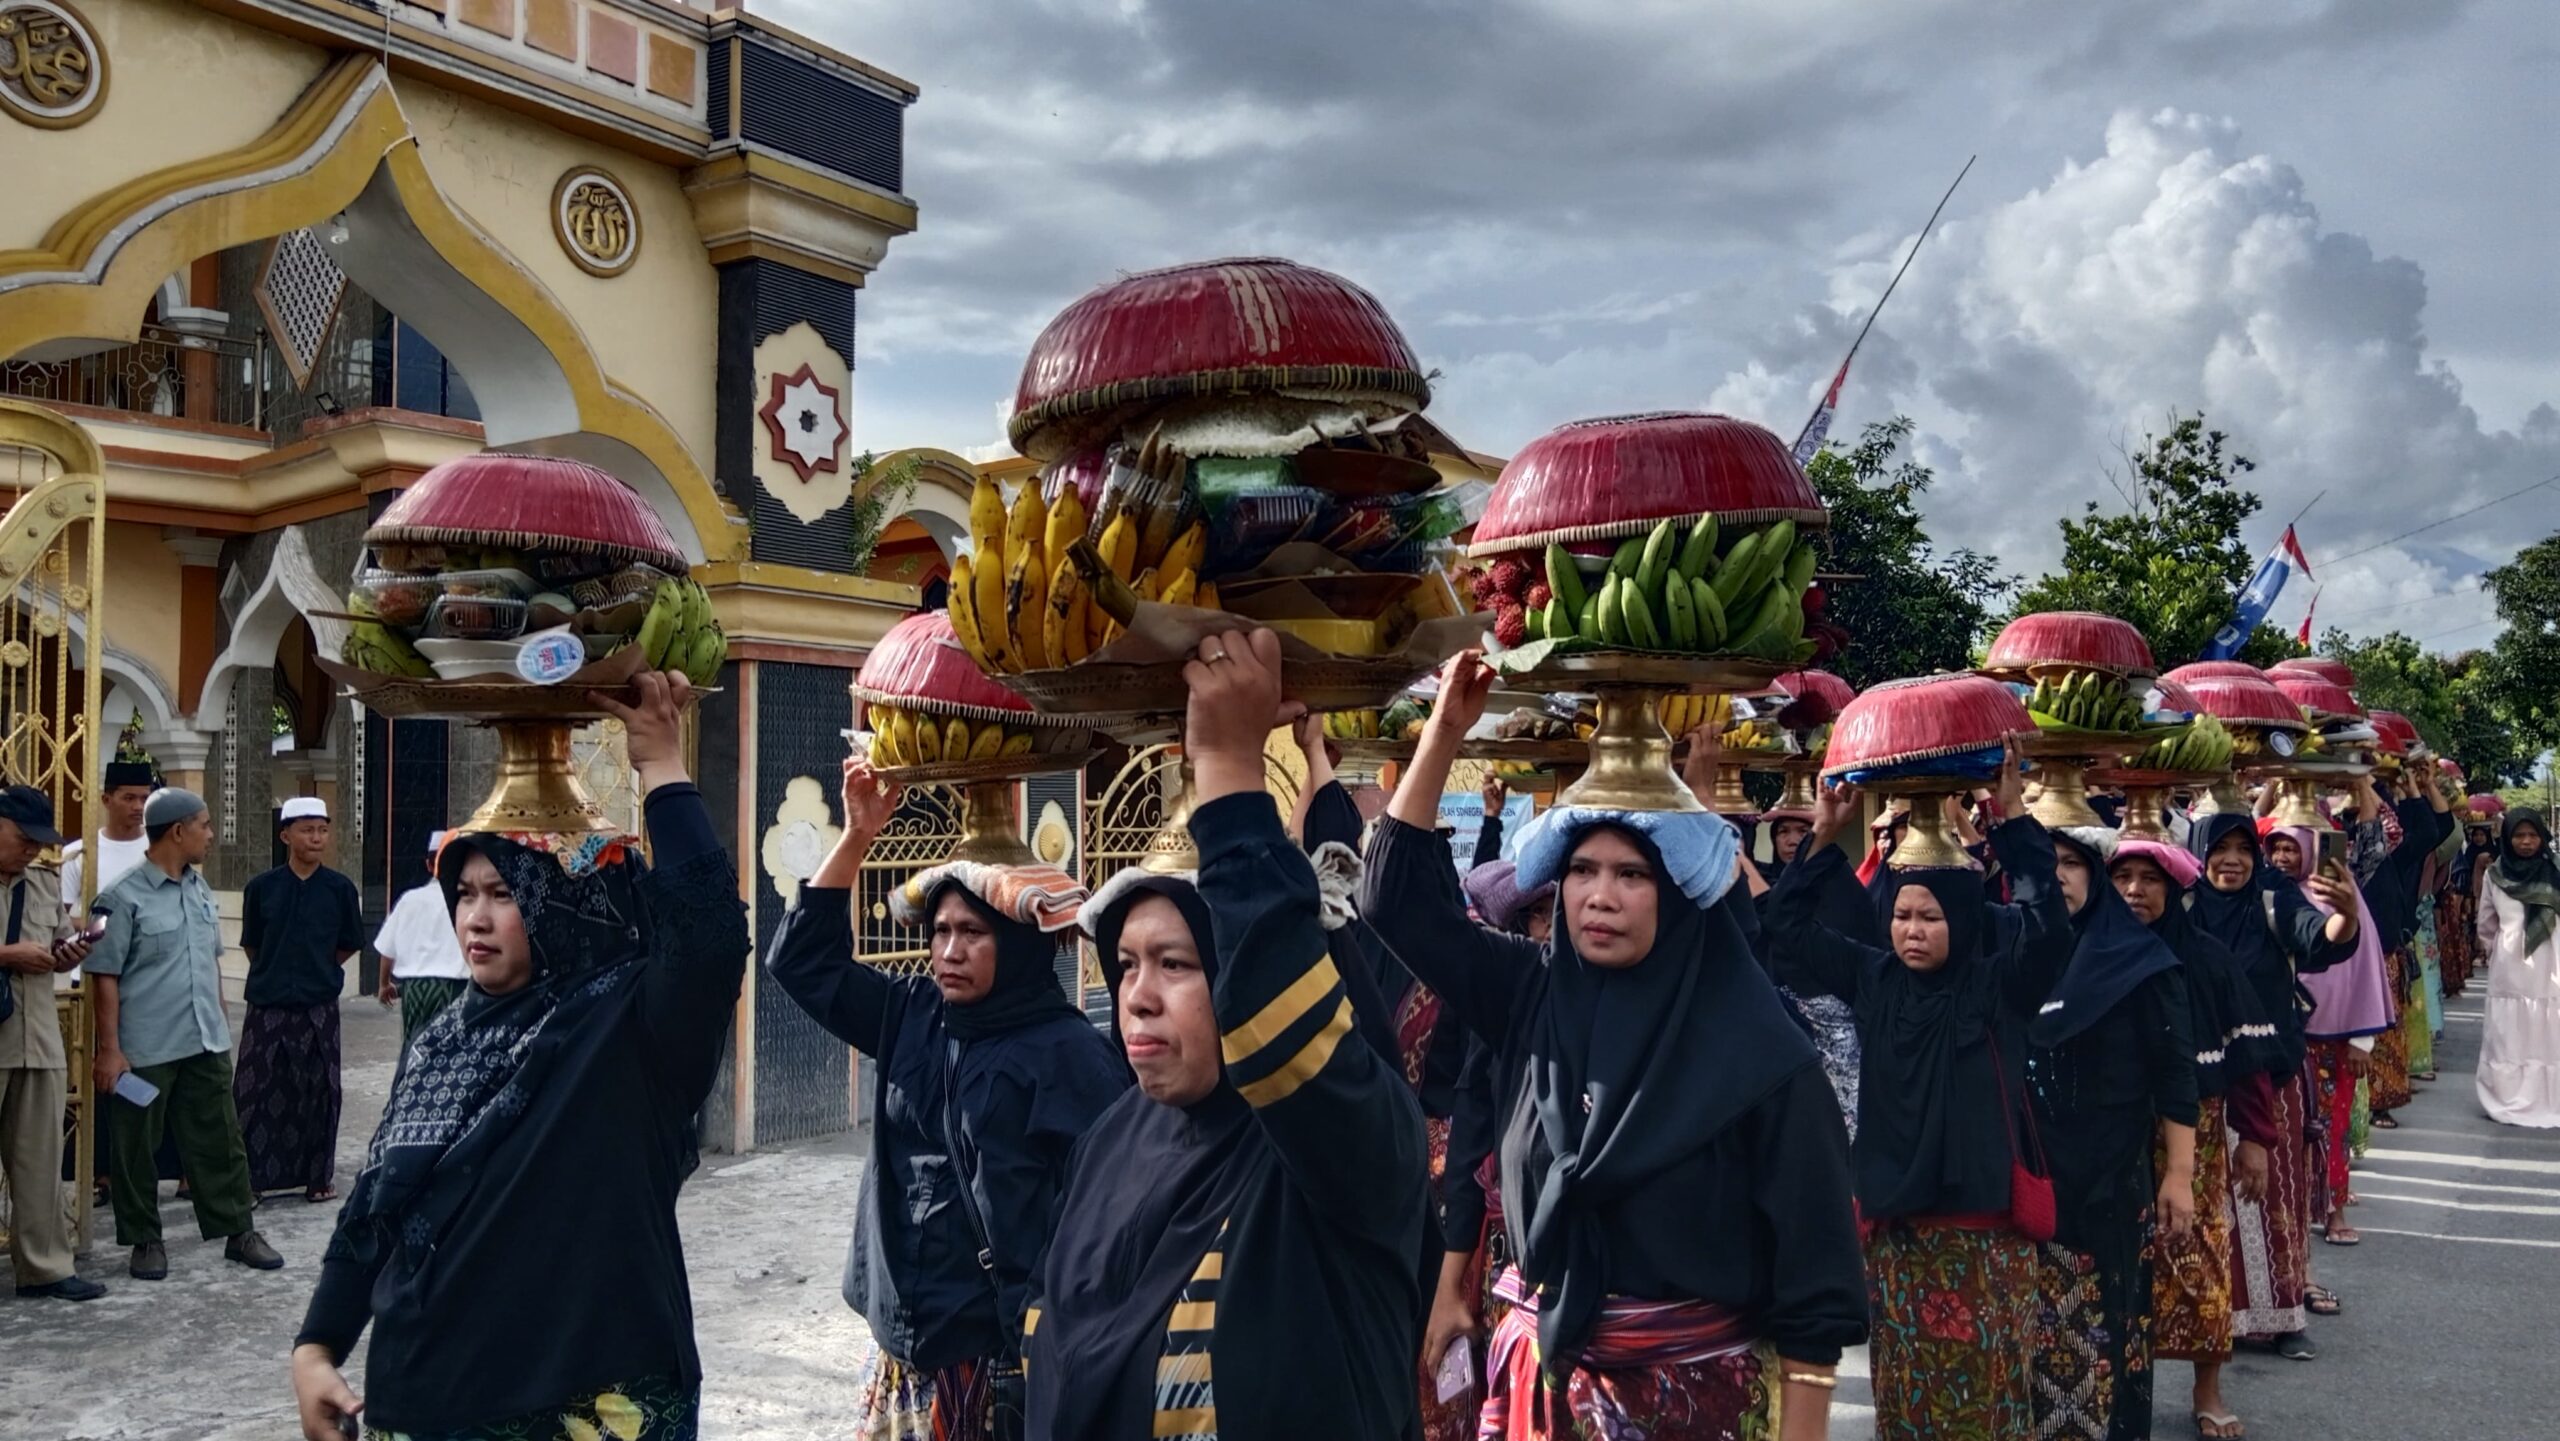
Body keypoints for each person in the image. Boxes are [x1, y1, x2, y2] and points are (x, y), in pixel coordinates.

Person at [1364, 650, 1865, 1441]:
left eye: (1632, 874)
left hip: (1699, 1406)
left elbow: (1817, 1287)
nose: (1600, 896)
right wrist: (1446, 732)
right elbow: (1396, 903)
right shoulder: (1532, 992)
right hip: (1544, 1391)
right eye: (1582, 870)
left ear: (1678, 892)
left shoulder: (1765, 1059)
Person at [291, 672, 749, 1441]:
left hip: (590, 1397)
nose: (473, 915)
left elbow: (707, 941)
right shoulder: (443, 1039)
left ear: (560, 900)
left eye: (503, 891)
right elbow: (379, 1204)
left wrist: (662, 767)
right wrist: (318, 1344)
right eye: (464, 891)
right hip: (428, 1397)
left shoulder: (630, 1028)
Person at [1027, 628, 1428, 1441]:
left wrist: (1230, 776)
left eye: (1176, 963)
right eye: (1127, 963)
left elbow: (1279, 1017)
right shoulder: (1113, 1140)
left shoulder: (1346, 1147)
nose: (1137, 997)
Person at [765, 757, 1127, 1440]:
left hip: (1000, 1366)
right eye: (939, 930)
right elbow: (800, 963)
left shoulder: (1067, 1054)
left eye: (973, 932)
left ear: (1019, 943)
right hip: (904, 1355)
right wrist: (858, 833)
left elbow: (1108, 1214)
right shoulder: (912, 1013)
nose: (949, 950)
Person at [1769, 759, 2069, 1441]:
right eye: (1901, 914)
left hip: (1983, 1236)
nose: (1911, 930)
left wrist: (2014, 817)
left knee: (1987, 1399)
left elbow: (2049, 929)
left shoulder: (1999, 986)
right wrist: (1824, 834)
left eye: (1930, 917)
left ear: (1962, 918)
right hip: (1899, 1234)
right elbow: (1785, 928)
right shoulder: (1874, 977)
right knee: (1904, 1397)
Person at [2108, 839, 2285, 1441]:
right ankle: (2108, 1389)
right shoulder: (2095, 953)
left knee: (2198, 1255)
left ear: (2176, 889)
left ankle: (2207, 1390)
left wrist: (2255, 1139)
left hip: (2197, 1136)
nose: (2134, 890)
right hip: (2111, 1133)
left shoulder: (2206, 959)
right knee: (2112, 1260)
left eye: (2149, 880)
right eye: (2123, 878)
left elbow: (2247, 1058)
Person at [2028, 829, 2199, 1441]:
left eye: (2070, 863)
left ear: (2093, 875)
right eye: (2041, 865)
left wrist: (2179, 1173)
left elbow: (2175, 1072)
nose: (2057, 877)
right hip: (2023, 1175)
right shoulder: (2010, 953)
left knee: (2113, 1325)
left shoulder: (2139, 961)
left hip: (2111, 1175)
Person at [2183, 812, 2359, 1364]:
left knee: (2274, 1197)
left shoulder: (2272, 895)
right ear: (2198, 851)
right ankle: (2210, 1317)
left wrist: (2346, 915)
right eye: (2220, 848)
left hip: (2267, 1069)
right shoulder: (2180, 903)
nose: (2231, 859)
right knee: (2206, 1199)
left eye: (2242, 849)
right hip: (2198, 1074)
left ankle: (2284, 1317)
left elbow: (2319, 938)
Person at [85, 787, 278, 1280]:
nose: (211, 835)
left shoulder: (199, 888)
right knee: (134, 1147)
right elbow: (103, 975)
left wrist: (218, 1016)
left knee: (221, 1141)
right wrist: (110, 1050)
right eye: (205, 825)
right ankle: (144, 1240)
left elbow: (209, 962)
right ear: (177, 831)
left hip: (203, 1041)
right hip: (145, 1046)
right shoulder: (120, 897)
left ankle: (239, 1231)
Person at [0, 786, 105, 1300]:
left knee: (40, 1161)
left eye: (37, 842)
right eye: (22, 838)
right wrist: (5, 954)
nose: (30, 850)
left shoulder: (40, 884)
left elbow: (59, 938)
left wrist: (67, 953)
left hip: (36, 1037)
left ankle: (44, 1268)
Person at [236, 797, 368, 1202]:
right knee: (253, 1092)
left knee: (321, 1091)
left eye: (322, 830)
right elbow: (253, 945)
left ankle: (318, 1178)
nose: (316, 838)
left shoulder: (340, 889)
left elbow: (348, 943)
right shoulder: (261, 888)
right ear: (286, 835)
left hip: (318, 1005)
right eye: (307, 830)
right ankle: (252, 1180)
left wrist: (317, 970)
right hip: (268, 1003)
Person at [2271, 824, 2391, 1247]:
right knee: (2287, 1133)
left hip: (2335, 1038)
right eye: (2277, 849)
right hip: (2287, 1036)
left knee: (2330, 1128)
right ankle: (2297, 1212)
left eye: (2291, 849)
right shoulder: (2273, 898)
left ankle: (2334, 1209)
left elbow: (2365, 966)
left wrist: (2363, 1039)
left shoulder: (2342, 894)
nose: (2283, 857)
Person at [2475, 808, 2560, 1128]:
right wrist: (2496, 952)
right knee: (2509, 1034)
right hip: (2511, 968)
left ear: (2542, 837)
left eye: (2532, 835)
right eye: (2518, 835)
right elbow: (2486, 923)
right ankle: (2506, 1095)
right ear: (2508, 839)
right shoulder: (2494, 875)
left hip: (2553, 966)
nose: (2526, 842)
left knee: (2551, 1031)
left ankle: (2549, 1098)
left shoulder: (2556, 871)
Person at [373, 831, 471, 1042]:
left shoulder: (410, 900)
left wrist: (384, 984)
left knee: (415, 1049)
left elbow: (387, 950)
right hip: (457, 989)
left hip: (415, 991)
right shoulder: (468, 901)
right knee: (455, 1052)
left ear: (428, 864)